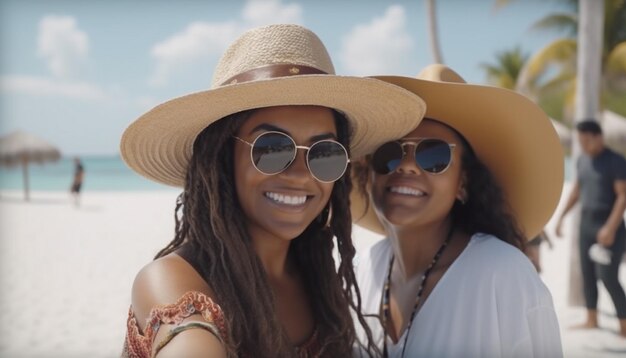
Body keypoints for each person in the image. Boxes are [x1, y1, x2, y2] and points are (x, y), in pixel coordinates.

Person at [119, 24, 426, 357]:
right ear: (222, 157)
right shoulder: (170, 279)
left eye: (325, 152)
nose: (299, 174)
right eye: (273, 148)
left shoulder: (317, 279)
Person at [350, 64, 564, 357]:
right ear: (368, 173)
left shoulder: (502, 275)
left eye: (433, 154)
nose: (406, 165)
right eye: (390, 151)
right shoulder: (361, 271)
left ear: (463, 183)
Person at [555, 120, 626, 337]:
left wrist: (610, 228)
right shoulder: (582, 160)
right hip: (586, 224)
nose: (583, 146)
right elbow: (577, 190)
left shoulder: (615, 161)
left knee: (607, 275)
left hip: (608, 224)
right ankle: (591, 319)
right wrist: (561, 217)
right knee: (587, 273)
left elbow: (623, 196)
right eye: (580, 141)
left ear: (598, 137)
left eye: (586, 141)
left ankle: (624, 326)